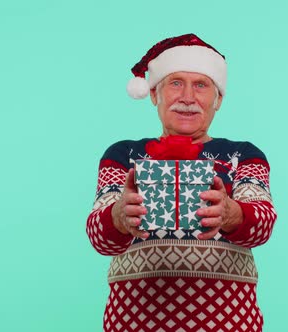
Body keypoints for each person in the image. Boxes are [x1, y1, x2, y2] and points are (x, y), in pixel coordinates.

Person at [86, 33, 277, 332]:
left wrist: (230, 213)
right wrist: (119, 216)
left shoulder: (243, 155)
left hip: (228, 324)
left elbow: (262, 226)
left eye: (201, 85)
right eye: (175, 82)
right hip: (134, 323)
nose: (187, 97)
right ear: (153, 93)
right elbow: (100, 238)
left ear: (218, 99)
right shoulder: (124, 155)